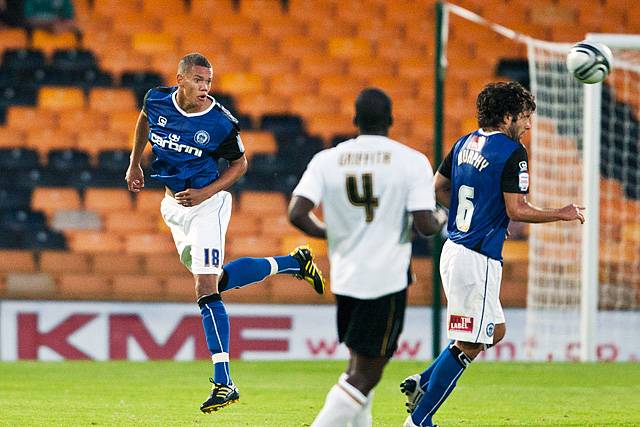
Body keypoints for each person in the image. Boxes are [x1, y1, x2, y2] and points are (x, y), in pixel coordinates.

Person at [125, 52, 325, 414]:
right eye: (199, 80)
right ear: (180, 79)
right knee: (213, 281)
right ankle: (293, 263)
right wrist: (135, 162)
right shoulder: (156, 99)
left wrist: (206, 192)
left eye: (209, 81)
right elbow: (143, 120)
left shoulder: (220, 122)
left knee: (204, 287)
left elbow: (240, 163)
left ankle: (224, 381)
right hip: (173, 208)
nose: (205, 87)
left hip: (208, 206)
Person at [401, 81, 585, 427]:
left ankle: (422, 381)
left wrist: (461, 211)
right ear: (507, 117)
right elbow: (517, 210)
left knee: (494, 331)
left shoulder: (463, 143)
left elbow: (438, 186)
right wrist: (560, 212)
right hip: (477, 257)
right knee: (471, 342)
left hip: (454, 248)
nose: (528, 125)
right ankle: (419, 420)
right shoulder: (513, 152)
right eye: (526, 118)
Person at [288, 87, 447, 427]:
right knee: (366, 375)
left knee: (357, 365)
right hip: (386, 278)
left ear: (355, 120)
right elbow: (425, 224)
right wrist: (441, 218)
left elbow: (297, 213)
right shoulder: (411, 160)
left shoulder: (327, 159)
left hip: (345, 276)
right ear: (390, 120)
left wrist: (332, 234)